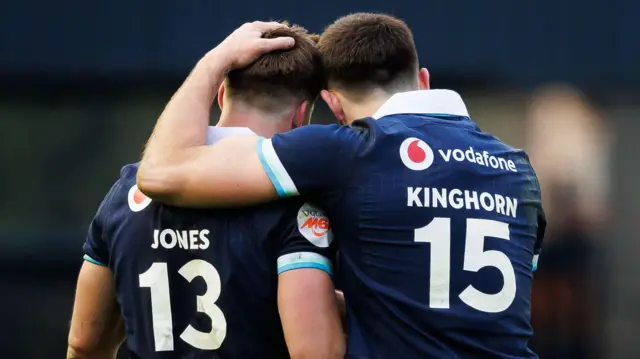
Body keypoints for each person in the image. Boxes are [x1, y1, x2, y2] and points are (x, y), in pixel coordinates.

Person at [137, 13, 546, 359]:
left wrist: (216, 61)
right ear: (423, 80)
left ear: (332, 104)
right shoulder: (517, 169)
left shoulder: (348, 151)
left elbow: (161, 173)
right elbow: (456, 300)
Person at [67, 22, 344, 359]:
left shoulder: (127, 192)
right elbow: (314, 353)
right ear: (301, 116)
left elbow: (84, 343)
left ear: (222, 95)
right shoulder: (295, 205)